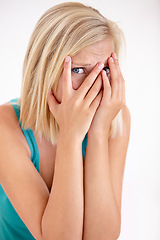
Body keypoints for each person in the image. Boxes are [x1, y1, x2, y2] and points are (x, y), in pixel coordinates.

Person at [0, 2, 131, 240]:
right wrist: (70, 136)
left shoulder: (116, 118)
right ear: (45, 71)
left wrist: (98, 132)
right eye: (79, 70)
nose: (96, 83)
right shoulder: (5, 124)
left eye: (106, 69)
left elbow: (101, 237)